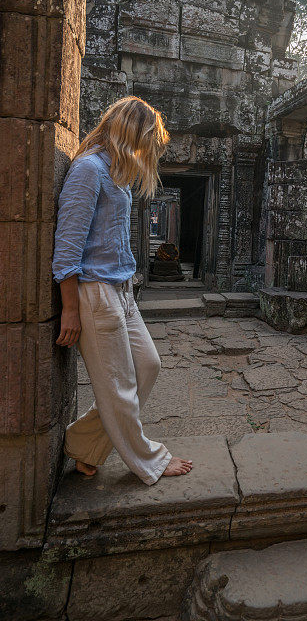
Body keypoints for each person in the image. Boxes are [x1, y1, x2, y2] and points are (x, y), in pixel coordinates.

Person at [52, 96, 193, 483]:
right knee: (120, 388)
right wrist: (69, 309)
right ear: (130, 132)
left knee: (149, 365)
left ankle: (83, 445)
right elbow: (67, 248)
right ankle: (150, 460)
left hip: (120, 290)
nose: (148, 151)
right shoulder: (88, 170)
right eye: (147, 140)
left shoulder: (116, 172)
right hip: (94, 294)